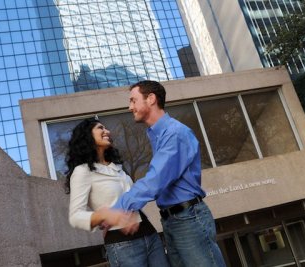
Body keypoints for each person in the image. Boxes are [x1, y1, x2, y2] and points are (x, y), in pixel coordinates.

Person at [111, 80, 226, 267]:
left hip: (188, 219)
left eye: (133, 100)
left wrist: (118, 208)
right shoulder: (157, 134)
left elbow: (156, 180)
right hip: (172, 220)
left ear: (151, 99)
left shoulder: (174, 133)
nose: (130, 107)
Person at [66, 117, 170, 267]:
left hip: (150, 235)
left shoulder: (118, 167)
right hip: (123, 245)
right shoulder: (82, 171)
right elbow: (75, 217)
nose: (107, 131)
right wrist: (105, 215)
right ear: (86, 135)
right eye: (100, 128)